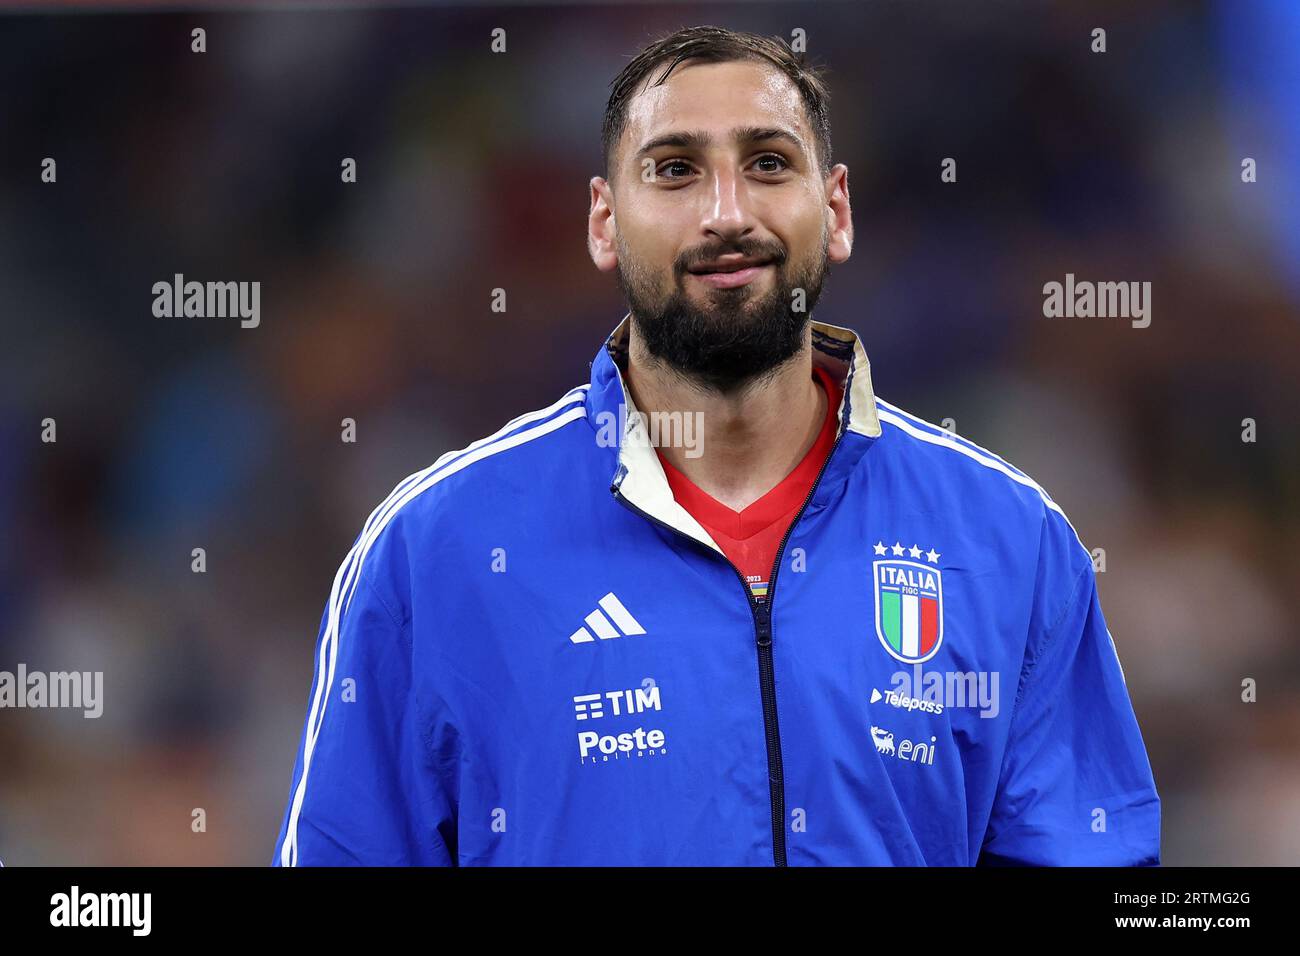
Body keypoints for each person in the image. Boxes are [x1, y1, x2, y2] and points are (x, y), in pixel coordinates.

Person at [273, 25, 1160, 866]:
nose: (726, 211)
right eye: (675, 171)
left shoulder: (1009, 540)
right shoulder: (436, 551)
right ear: (604, 221)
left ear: (836, 209)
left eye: (769, 164)